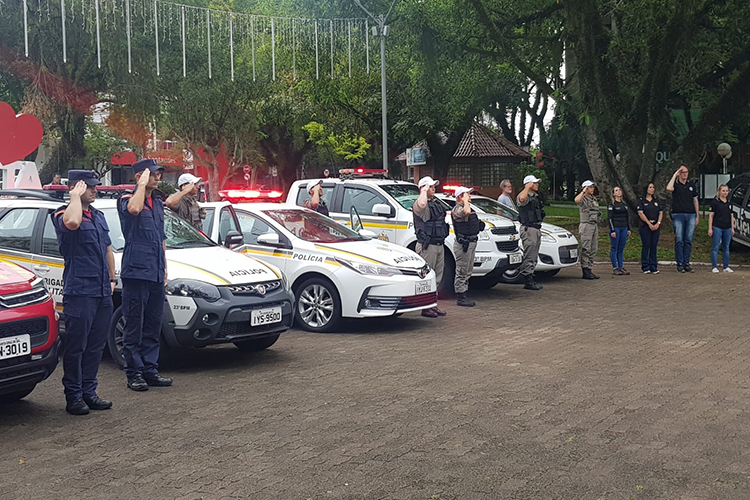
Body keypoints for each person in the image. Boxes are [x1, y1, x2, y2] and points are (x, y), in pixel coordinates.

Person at [51, 170, 116, 416]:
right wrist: (74, 198)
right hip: (80, 291)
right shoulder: (63, 213)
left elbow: (107, 249)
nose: (95, 189)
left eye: (95, 186)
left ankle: (89, 391)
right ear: (76, 188)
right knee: (76, 346)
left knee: (96, 346)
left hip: (101, 289)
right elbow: (73, 223)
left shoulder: (98, 216)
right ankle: (74, 396)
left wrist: (112, 278)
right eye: (89, 186)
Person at [117, 159, 173, 392]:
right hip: (137, 271)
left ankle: (150, 369)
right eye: (153, 174)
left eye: (159, 174)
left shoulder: (157, 202)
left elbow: (161, 238)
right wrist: (141, 185)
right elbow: (134, 209)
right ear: (140, 176)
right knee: (134, 324)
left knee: (153, 324)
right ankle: (134, 373)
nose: (158, 178)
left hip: (155, 271)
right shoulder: (127, 199)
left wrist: (164, 267)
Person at [413, 176, 449, 317]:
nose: (433, 188)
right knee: (427, 278)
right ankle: (425, 307)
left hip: (438, 244)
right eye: (430, 186)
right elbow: (422, 204)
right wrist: (424, 190)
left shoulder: (434, 203)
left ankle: (433, 305)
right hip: (427, 246)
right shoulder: (419, 204)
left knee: (437, 278)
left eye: (434, 186)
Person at [451, 186, 485, 307]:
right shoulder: (458, 209)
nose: (470, 196)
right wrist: (465, 200)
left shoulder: (469, 208)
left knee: (468, 270)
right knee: (462, 270)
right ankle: (461, 296)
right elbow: (466, 212)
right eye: (467, 194)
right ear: (460, 197)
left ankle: (464, 292)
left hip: (471, 243)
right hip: (463, 244)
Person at [666, 165, 700, 273]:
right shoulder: (676, 185)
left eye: (686, 172)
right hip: (678, 215)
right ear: (679, 174)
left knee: (688, 240)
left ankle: (686, 263)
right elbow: (668, 188)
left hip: (690, 215)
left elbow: (695, 200)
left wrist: (697, 215)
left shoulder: (691, 185)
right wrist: (675, 175)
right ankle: (679, 263)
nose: (685, 174)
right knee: (679, 239)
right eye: (683, 172)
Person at [516, 175, 545, 290]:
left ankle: (530, 275)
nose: (537, 185)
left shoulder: (535, 197)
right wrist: (527, 188)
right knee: (530, 254)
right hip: (529, 228)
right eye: (534, 183)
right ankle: (527, 278)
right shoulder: (524, 195)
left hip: (536, 228)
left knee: (534, 254)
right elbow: (522, 200)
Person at [575, 180, 600, 280]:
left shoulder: (593, 199)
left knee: (593, 248)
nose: (592, 189)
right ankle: (585, 269)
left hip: (594, 224)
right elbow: (577, 200)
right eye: (590, 187)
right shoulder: (583, 198)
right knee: (586, 248)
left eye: (593, 187)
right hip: (586, 225)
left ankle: (589, 268)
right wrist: (583, 191)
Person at [708, 184, 735, 273]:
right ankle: (714, 266)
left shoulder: (729, 203)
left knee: (726, 247)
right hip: (717, 227)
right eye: (723, 191)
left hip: (727, 227)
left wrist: (732, 227)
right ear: (719, 191)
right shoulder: (715, 202)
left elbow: (731, 216)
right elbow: (711, 216)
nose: (725, 193)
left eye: (726, 191)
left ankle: (726, 266)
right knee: (715, 247)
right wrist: (710, 228)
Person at [637, 183, 663, 274]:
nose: (652, 189)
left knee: (653, 245)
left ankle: (653, 266)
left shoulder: (656, 201)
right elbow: (641, 213)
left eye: (653, 187)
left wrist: (658, 223)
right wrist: (649, 224)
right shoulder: (641, 201)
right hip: (645, 226)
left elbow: (660, 213)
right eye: (650, 187)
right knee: (646, 245)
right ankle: (645, 266)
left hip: (656, 225)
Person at [607, 186, 631, 275]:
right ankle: (615, 267)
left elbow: (627, 217)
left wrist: (628, 228)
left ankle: (621, 266)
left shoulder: (624, 205)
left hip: (623, 227)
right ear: (613, 194)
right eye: (616, 190)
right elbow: (609, 218)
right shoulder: (612, 205)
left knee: (621, 248)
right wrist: (612, 230)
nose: (619, 192)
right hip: (616, 227)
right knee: (614, 248)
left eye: (619, 190)